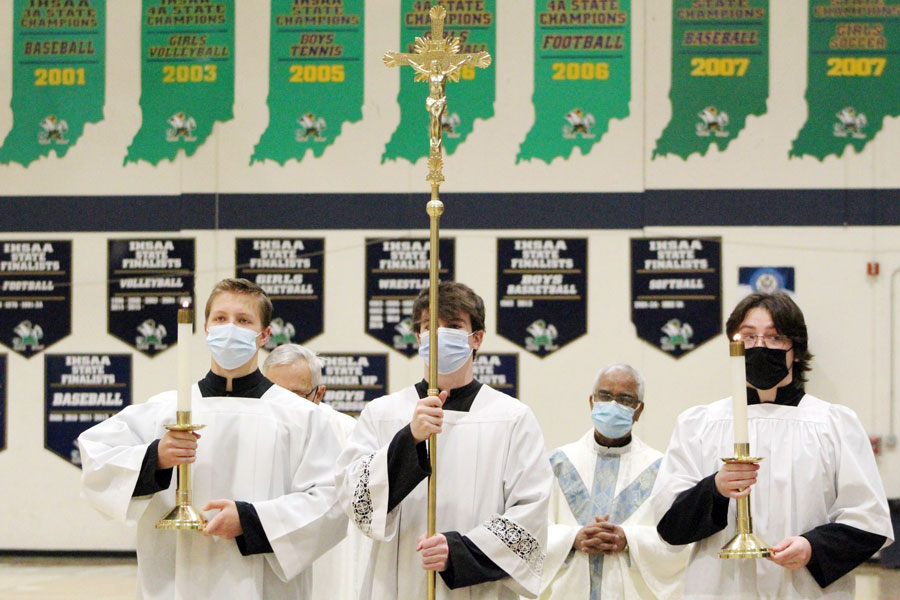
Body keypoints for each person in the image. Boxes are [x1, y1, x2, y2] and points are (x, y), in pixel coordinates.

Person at [78, 278, 347, 600]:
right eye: (220, 319)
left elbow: (332, 499)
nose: (230, 328)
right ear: (206, 328)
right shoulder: (165, 410)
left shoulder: (303, 417)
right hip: (174, 580)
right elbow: (96, 461)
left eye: (243, 320)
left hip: (263, 584)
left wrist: (252, 520)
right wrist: (155, 459)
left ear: (264, 335)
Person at [651, 292, 893, 599]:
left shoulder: (834, 425)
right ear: (734, 347)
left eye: (775, 336)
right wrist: (715, 488)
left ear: (797, 351)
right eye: (749, 337)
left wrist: (812, 548)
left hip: (805, 589)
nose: (760, 347)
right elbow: (669, 526)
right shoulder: (699, 425)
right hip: (721, 589)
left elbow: (869, 520)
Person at [335, 281, 552, 599]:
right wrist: (409, 439)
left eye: (453, 326)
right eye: (429, 326)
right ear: (417, 337)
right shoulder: (382, 413)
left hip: (478, 589)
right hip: (397, 584)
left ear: (476, 338)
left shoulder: (512, 418)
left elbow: (531, 511)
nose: (439, 336)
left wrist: (460, 551)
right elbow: (355, 499)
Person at [538, 364, 689, 600]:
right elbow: (530, 534)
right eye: (605, 396)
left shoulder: (662, 469)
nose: (613, 405)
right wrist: (572, 538)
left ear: (638, 411)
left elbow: (678, 547)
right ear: (591, 402)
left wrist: (629, 539)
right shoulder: (556, 464)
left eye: (625, 399)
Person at [263, 343, 369, 600]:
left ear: (319, 394)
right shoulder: (256, 431)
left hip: (332, 558)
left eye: (296, 396)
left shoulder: (348, 433)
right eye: (277, 394)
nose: (286, 407)